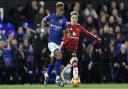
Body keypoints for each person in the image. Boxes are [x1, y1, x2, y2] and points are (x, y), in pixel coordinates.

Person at [61, 11, 101, 82]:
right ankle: (58, 78)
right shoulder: (66, 25)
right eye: (73, 18)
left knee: (75, 62)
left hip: (73, 51)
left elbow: (88, 33)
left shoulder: (79, 27)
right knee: (61, 67)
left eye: (76, 18)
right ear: (70, 18)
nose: (74, 19)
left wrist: (96, 38)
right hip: (65, 50)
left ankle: (75, 79)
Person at [41, 2, 69, 86]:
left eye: (63, 10)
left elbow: (67, 31)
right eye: (60, 10)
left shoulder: (64, 20)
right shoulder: (51, 16)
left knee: (53, 61)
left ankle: (47, 75)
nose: (62, 12)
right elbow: (43, 21)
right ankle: (57, 79)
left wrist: (68, 35)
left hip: (59, 43)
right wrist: (43, 31)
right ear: (57, 9)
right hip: (51, 42)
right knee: (59, 56)